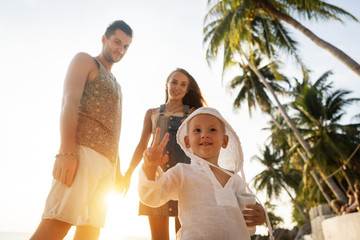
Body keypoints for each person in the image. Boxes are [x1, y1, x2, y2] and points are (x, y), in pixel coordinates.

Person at [30, 20, 133, 240]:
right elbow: (69, 101)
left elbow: (115, 128)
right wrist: (66, 151)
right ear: (104, 39)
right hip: (82, 152)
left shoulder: (118, 84)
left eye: (126, 46)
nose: (121, 49)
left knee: (90, 231)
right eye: (117, 42)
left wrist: (118, 170)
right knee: (58, 222)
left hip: (107, 164)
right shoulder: (85, 61)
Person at [139, 107, 274, 240]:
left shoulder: (236, 180)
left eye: (212, 130)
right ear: (187, 141)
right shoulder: (182, 173)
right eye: (197, 130)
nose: (205, 134)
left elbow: (248, 215)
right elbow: (152, 196)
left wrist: (260, 216)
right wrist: (150, 167)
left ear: (225, 141)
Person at [122, 68, 206, 240]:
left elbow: (201, 147)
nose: (177, 87)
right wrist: (129, 172)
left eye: (183, 84)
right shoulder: (152, 113)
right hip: (156, 181)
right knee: (158, 237)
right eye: (174, 82)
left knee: (184, 236)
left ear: (187, 89)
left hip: (183, 181)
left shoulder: (192, 114)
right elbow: (141, 145)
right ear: (166, 84)